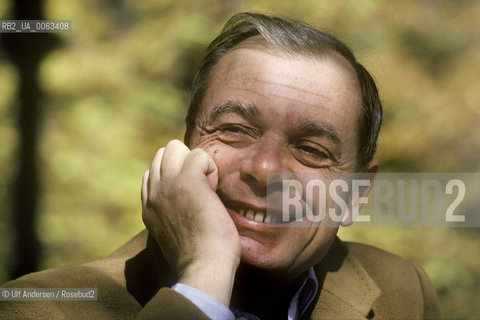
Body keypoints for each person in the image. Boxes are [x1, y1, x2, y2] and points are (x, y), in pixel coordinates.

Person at [1, 12, 440, 319]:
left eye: (311, 150)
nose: (266, 170)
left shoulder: (405, 292)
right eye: (235, 129)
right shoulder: (37, 307)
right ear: (187, 142)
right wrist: (204, 276)